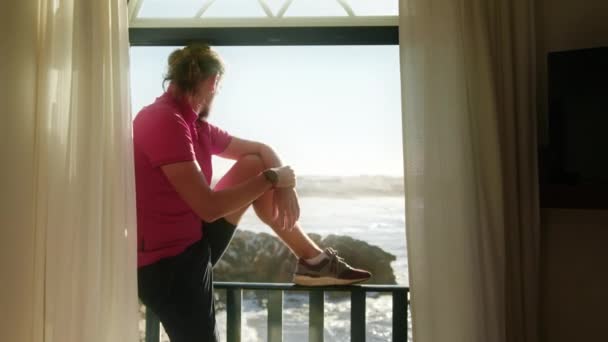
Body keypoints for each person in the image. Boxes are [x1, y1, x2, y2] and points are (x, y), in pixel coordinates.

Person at [134, 44, 372, 341]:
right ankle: (314, 262)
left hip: (192, 243)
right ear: (212, 82)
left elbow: (261, 150)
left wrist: (284, 183)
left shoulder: (195, 127)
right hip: (168, 266)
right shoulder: (163, 120)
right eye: (218, 89)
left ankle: (313, 261)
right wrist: (273, 178)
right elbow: (208, 207)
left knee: (253, 164)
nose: (216, 95)